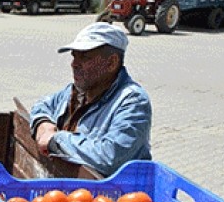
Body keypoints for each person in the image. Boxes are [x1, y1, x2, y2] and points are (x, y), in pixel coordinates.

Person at [29, 22, 152, 177]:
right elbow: (43, 104)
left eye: (85, 57)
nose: (74, 64)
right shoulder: (77, 90)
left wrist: (56, 140)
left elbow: (110, 156)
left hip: (113, 196)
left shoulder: (133, 101)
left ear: (111, 63)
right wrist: (43, 124)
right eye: (74, 56)